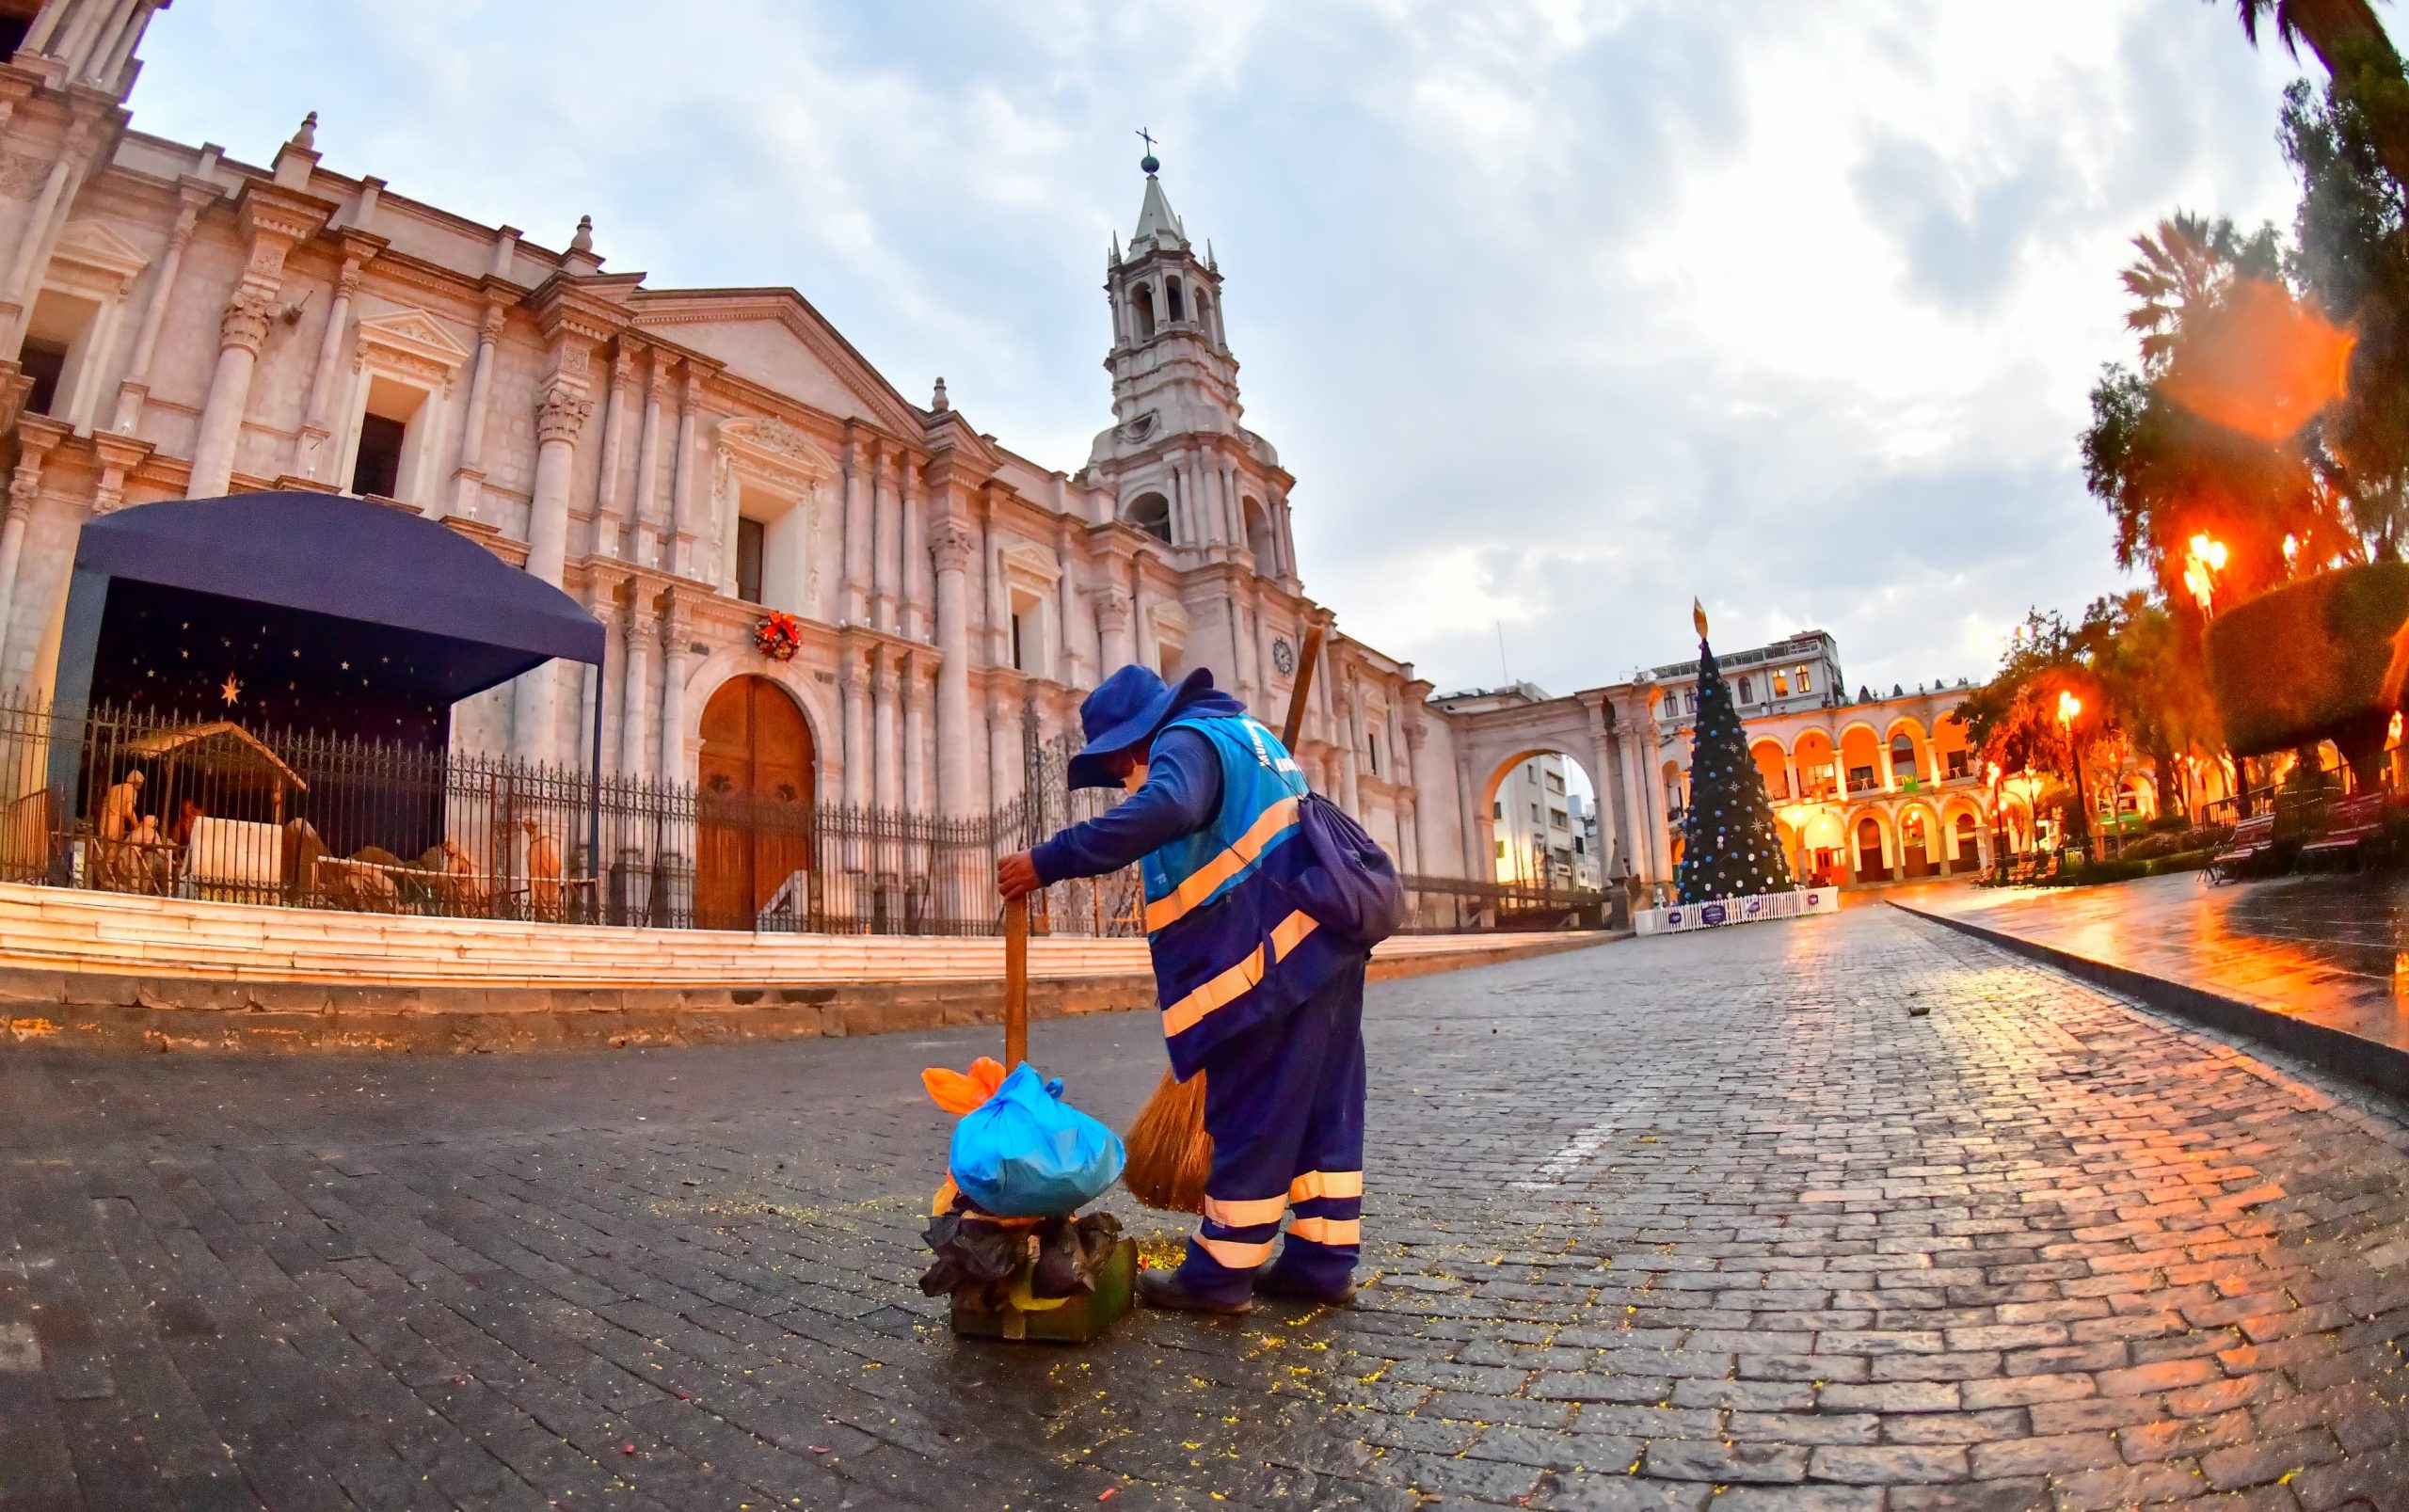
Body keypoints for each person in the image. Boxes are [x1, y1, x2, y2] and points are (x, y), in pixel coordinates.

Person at [997, 662, 1368, 1314]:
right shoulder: (1247, 736)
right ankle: (1321, 1260)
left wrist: (1050, 860)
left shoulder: (1187, 741)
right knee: (1321, 1110)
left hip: (1271, 961)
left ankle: (1219, 1275)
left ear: (1137, 741)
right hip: (1326, 943)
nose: (1122, 780)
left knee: (1252, 1112)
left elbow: (1169, 806)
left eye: (1118, 767)